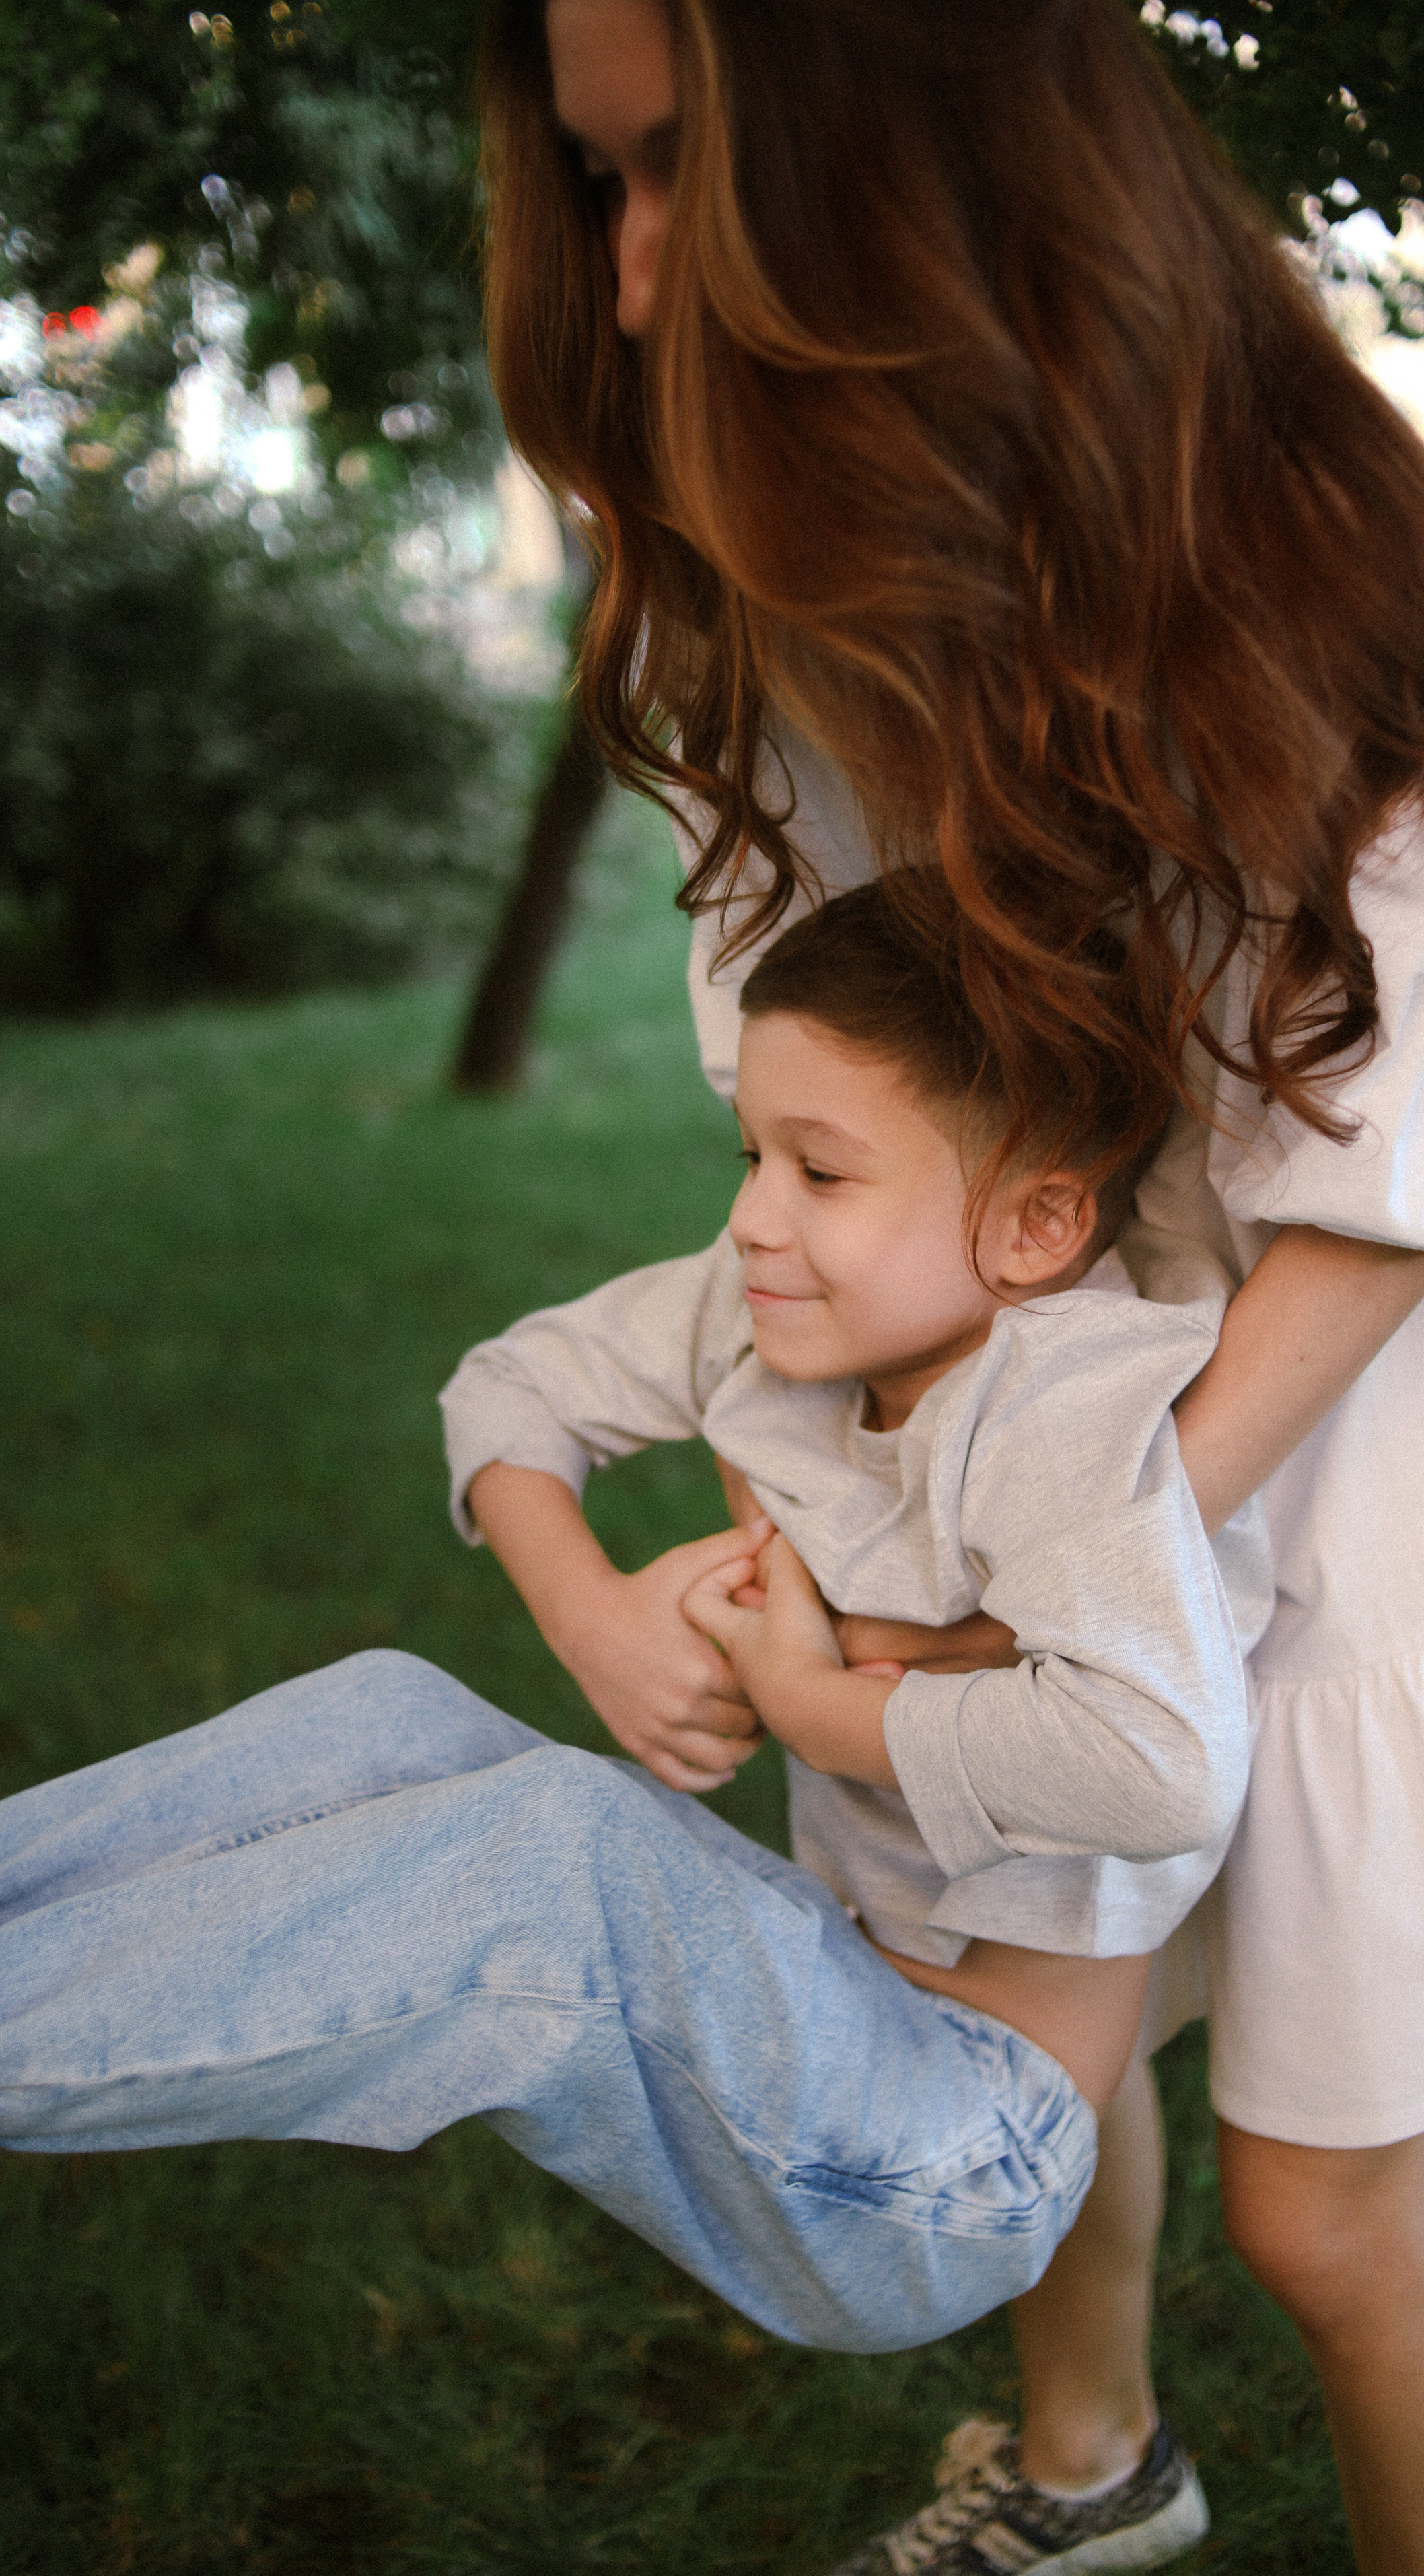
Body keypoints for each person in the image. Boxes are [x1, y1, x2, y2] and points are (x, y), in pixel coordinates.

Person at [477, 0, 1424, 2571]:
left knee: (1327, 2216)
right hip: (1005, 1497)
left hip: (1330, 1503)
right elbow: (854, 1132)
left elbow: (1399, 1181)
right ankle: (1091, 2474)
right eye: (596, 185)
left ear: (910, 158)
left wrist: (1081, 1567)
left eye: (674, 169)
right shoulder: (797, 606)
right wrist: (871, 1536)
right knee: (1027, 2045)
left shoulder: (1303, 592)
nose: (631, 271)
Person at [1, 883, 1265, 2567]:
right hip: (825, 2015)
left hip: (946, 2161)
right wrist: (593, 1615)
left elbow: (1167, 1763)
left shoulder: (1068, 1405)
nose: (751, 1219)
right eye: (749, 1154)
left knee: (566, 1850)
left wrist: (816, 1707)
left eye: (820, 1174)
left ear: (1033, 1224)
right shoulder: (765, 1312)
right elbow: (508, 1389)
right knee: (393, 1706)